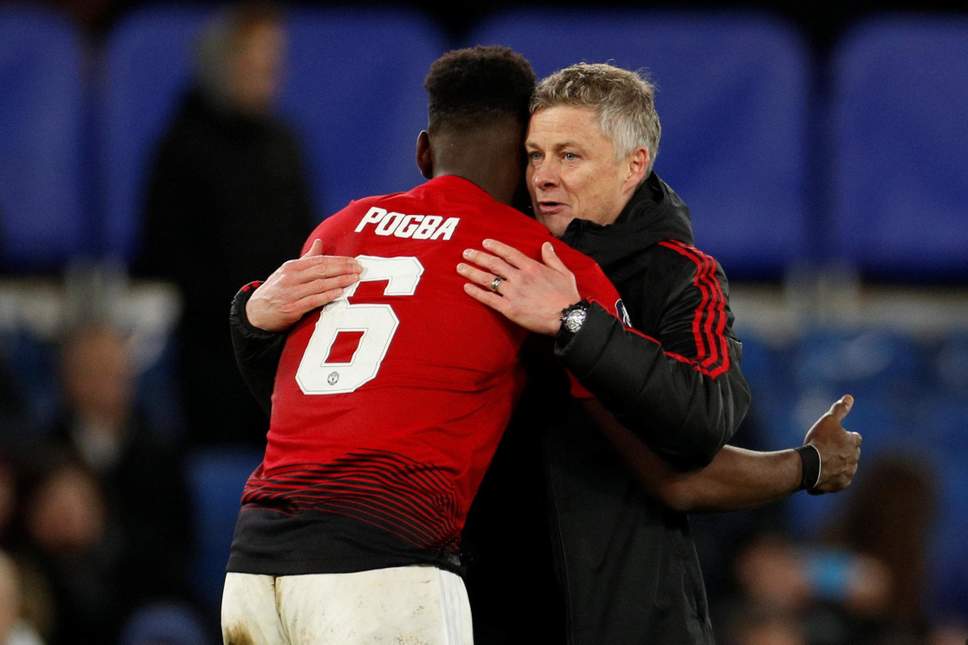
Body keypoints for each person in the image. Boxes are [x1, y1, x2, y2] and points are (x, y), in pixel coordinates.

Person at [230, 59, 862, 643]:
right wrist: (252, 320)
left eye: (570, 155)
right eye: (533, 155)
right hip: (465, 593)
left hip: (612, 619)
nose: (544, 176)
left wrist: (576, 323)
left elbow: (692, 439)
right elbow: (335, 406)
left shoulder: (676, 276)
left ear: (633, 166)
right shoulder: (508, 252)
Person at [220, 46, 629, 644]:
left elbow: (301, 393)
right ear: (526, 162)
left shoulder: (340, 229)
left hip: (253, 569)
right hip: (385, 570)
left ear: (423, 151)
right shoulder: (537, 260)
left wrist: (247, 318)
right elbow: (650, 406)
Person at [135, 2, 314, 446]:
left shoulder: (284, 143)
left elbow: (305, 237)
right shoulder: (182, 148)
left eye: (275, 61)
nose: (271, 73)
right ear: (224, 63)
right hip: (209, 347)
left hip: (281, 339)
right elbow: (167, 254)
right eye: (258, 60)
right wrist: (245, 313)